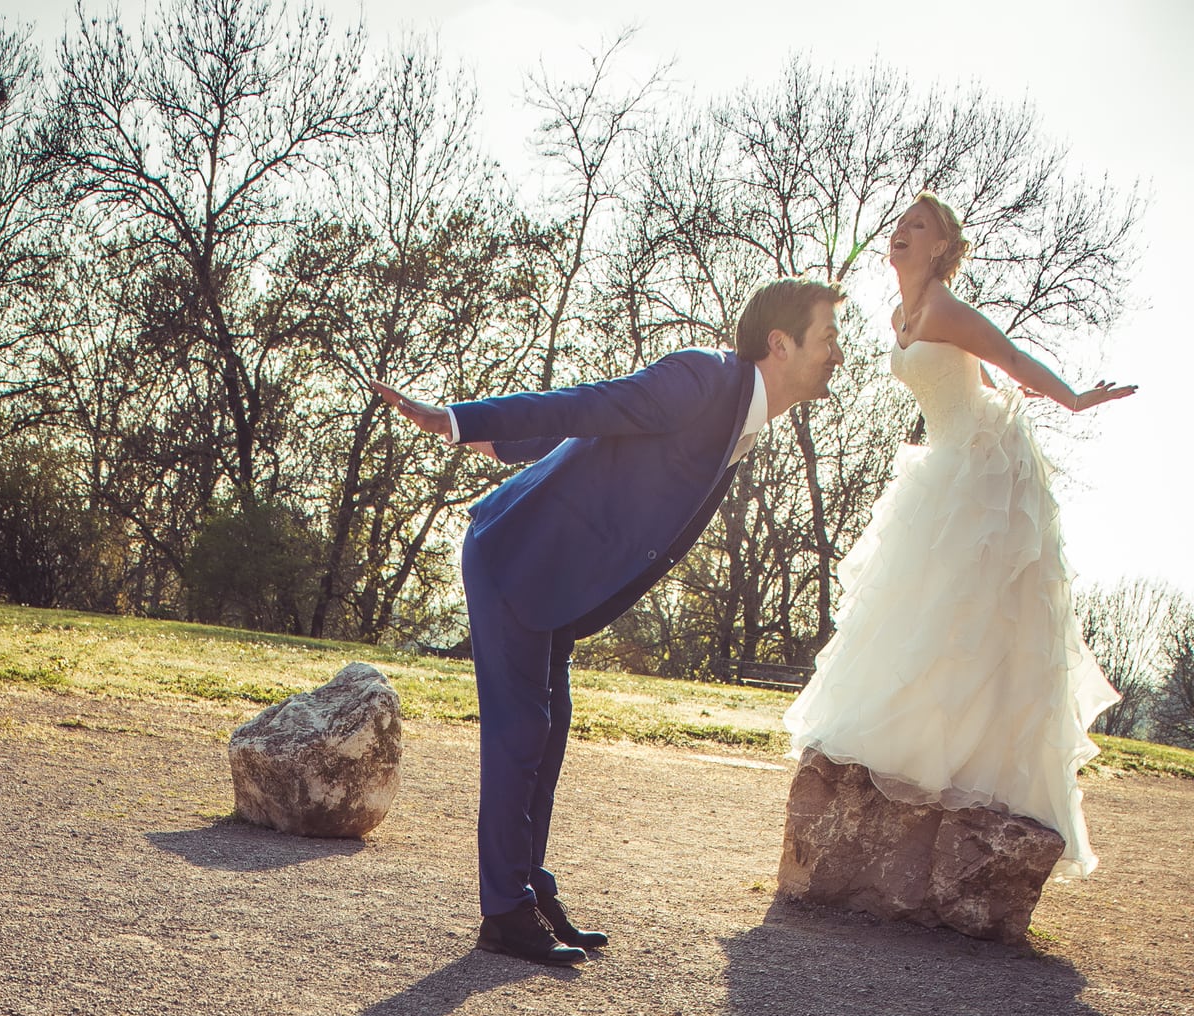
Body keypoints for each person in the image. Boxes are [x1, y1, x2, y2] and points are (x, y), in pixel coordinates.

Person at [373, 284, 843, 964]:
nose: (837, 354)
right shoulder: (704, 379)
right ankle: (505, 913)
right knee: (521, 731)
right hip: (519, 553)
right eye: (827, 338)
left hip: (565, 579)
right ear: (781, 343)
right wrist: (458, 419)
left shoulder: (745, 415)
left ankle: (527, 890)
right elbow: (589, 405)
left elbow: (589, 435)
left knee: (550, 728)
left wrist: (504, 447)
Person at [783, 192, 1135, 876]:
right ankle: (907, 749)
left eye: (919, 226)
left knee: (969, 612)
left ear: (942, 247)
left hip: (976, 464)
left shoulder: (942, 307)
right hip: (941, 458)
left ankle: (971, 771)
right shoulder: (899, 315)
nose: (902, 232)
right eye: (900, 224)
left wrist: (1075, 398)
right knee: (918, 607)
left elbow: (1009, 358)